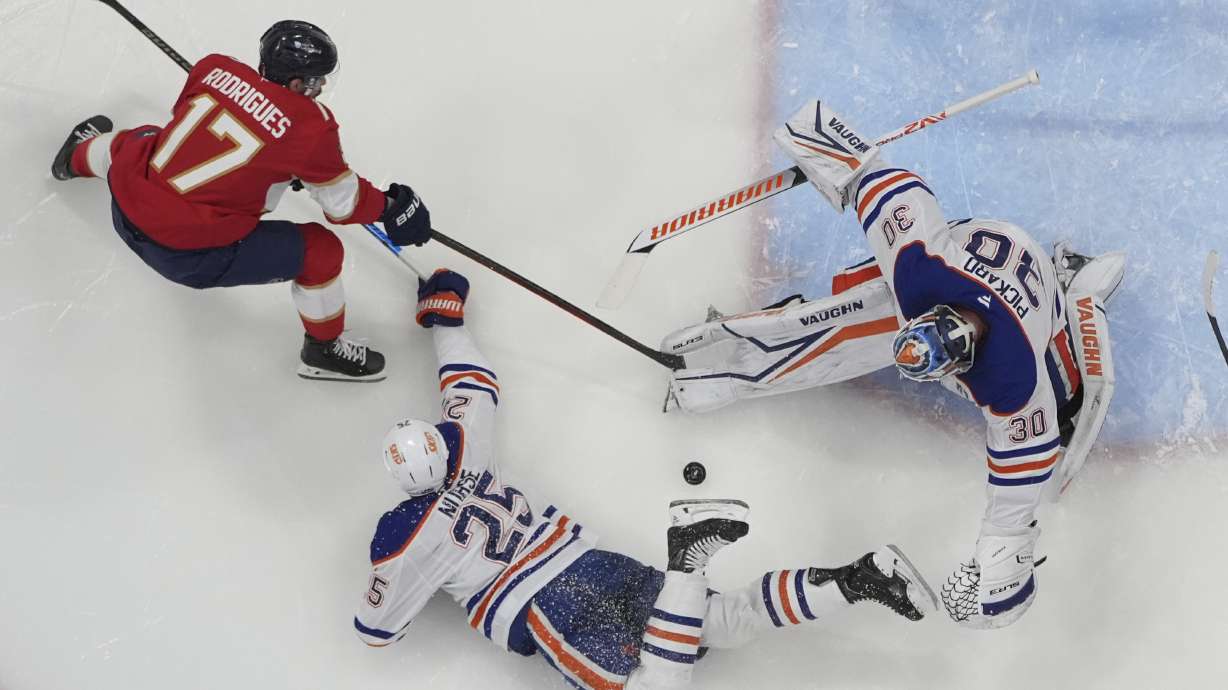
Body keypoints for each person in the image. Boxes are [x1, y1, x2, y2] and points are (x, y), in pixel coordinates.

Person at [660, 100, 1126, 630]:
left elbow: (1022, 469)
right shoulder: (918, 269)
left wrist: (1004, 554)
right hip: (971, 244)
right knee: (863, 307)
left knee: (1064, 402)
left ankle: (1075, 290)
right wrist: (825, 143)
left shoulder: (1012, 375)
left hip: (1036, 292)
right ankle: (759, 347)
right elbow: (883, 185)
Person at [353, 268, 938, 689]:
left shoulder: (407, 534)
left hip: (551, 605)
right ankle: (861, 578)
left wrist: (416, 584)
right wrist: (443, 318)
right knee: (719, 622)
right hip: (595, 564)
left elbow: (376, 632)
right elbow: (470, 384)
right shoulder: (465, 447)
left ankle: (690, 558)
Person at [49, 20, 433, 382]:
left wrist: (273, 162)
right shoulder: (310, 127)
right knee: (321, 250)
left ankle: (74, 158)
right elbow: (343, 205)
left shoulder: (214, 67)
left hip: (125, 206)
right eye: (316, 81)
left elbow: (191, 126)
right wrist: (391, 208)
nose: (319, 89)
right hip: (184, 255)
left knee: (144, 139)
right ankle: (324, 350)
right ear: (297, 83)